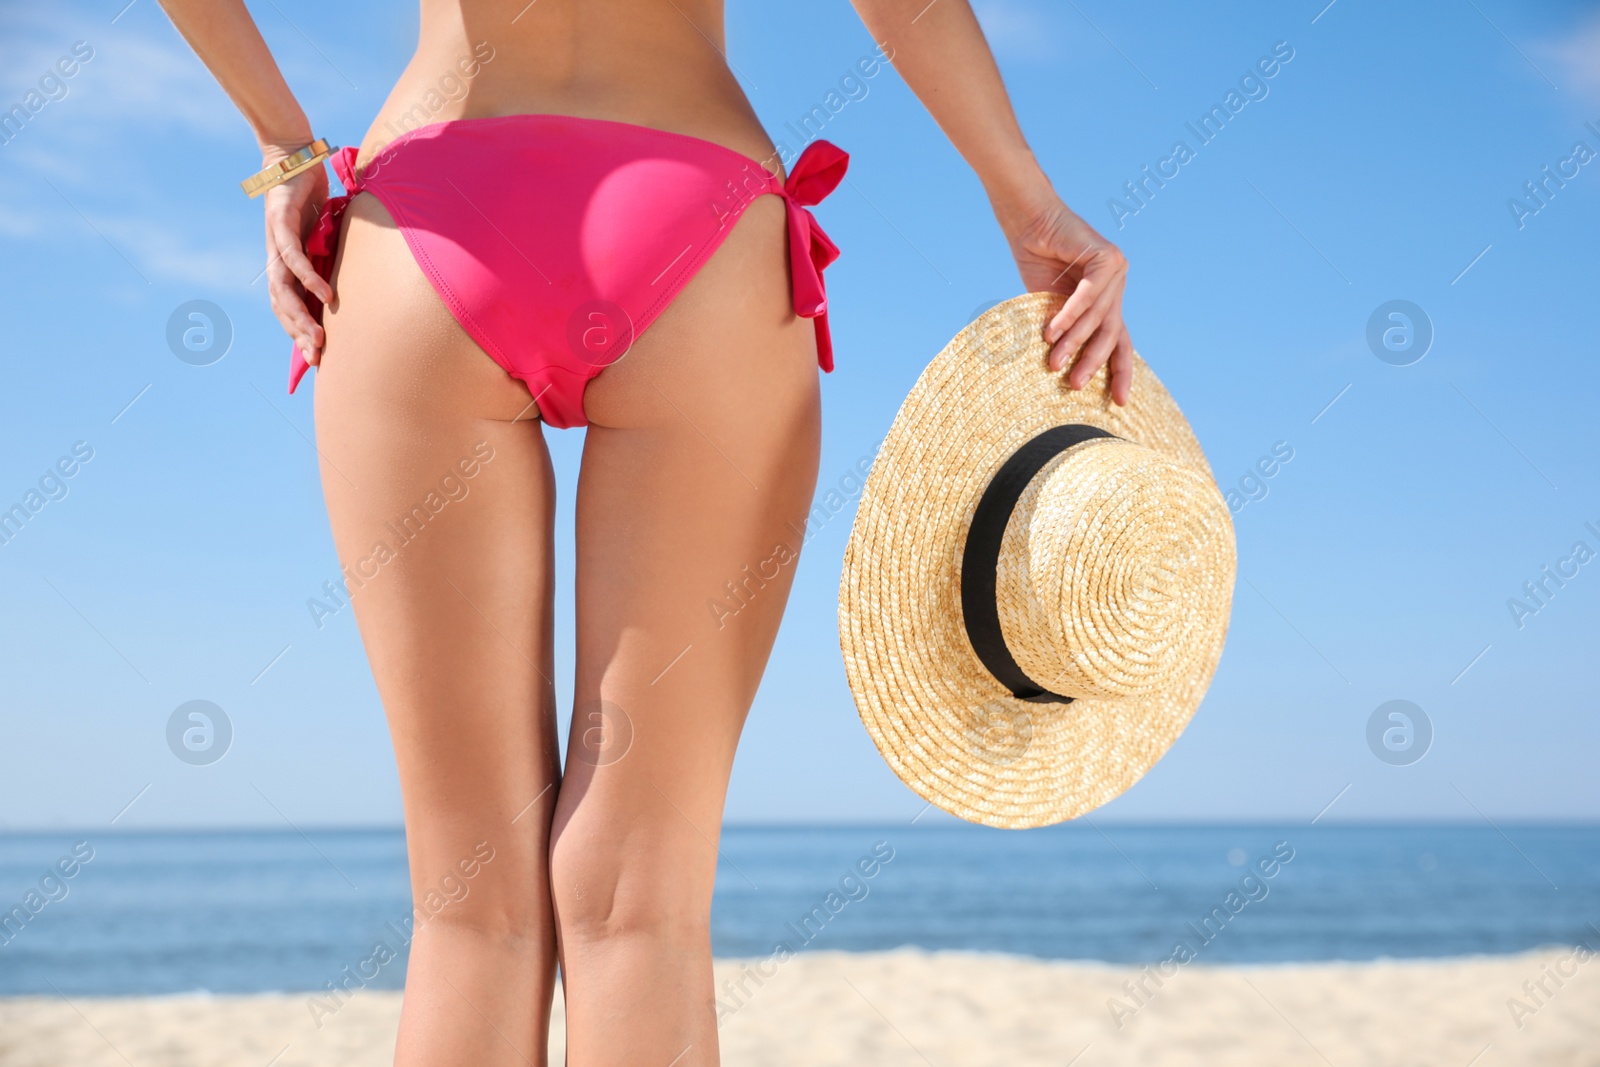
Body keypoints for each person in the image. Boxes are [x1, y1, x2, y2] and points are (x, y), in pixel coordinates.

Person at [157, 0, 1133, 1062]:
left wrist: (279, 140)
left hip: (430, 211)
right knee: (641, 905)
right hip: (696, 219)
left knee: (469, 905)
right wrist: (1021, 196)